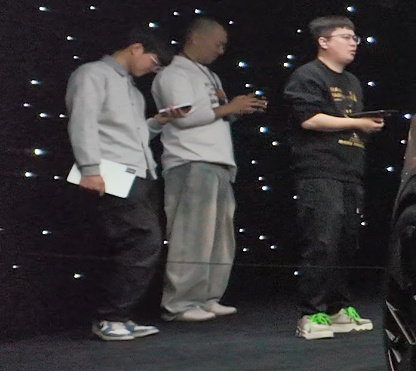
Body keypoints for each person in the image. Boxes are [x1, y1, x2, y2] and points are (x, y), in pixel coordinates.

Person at [65, 32, 189, 341]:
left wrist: (159, 121)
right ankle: (110, 316)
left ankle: (119, 315)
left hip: (139, 173)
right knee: (143, 240)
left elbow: (131, 135)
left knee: (141, 243)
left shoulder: (131, 89)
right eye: (154, 62)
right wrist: (90, 169)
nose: (153, 69)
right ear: (135, 48)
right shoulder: (93, 73)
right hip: (112, 171)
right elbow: (82, 122)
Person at [152, 17, 268, 322]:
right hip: (190, 161)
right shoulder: (174, 73)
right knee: (192, 235)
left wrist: (237, 110)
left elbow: (214, 114)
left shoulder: (209, 75)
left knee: (219, 237)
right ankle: (180, 303)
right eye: (218, 43)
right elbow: (183, 117)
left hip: (217, 160)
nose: (221, 50)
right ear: (194, 38)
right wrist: (230, 107)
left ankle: (208, 296)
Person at [284, 15, 383, 340]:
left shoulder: (352, 81)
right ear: (323, 42)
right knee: (322, 240)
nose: (353, 43)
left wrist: (365, 125)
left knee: (346, 241)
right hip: (319, 169)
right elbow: (309, 119)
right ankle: (311, 312)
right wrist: (357, 123)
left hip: (349, 170)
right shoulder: (307, 75)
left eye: (355, 37)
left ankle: (338, 307)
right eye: (345, 37)